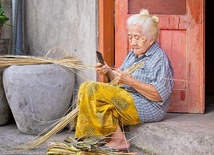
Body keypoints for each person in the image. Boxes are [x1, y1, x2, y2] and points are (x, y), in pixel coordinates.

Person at [74, 9, 174, 151]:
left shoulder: (159, 58)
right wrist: (108, 71)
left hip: (149, 106)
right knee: (86, 88)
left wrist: (131, 82)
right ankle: (116, 140)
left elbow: (158, 96)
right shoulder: (133, 54)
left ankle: (89, 139)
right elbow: (118, 80)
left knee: (92, 89)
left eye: (138, 38)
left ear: (151, 39)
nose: (133, 42)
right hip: (128, 98)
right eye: (130, 37)